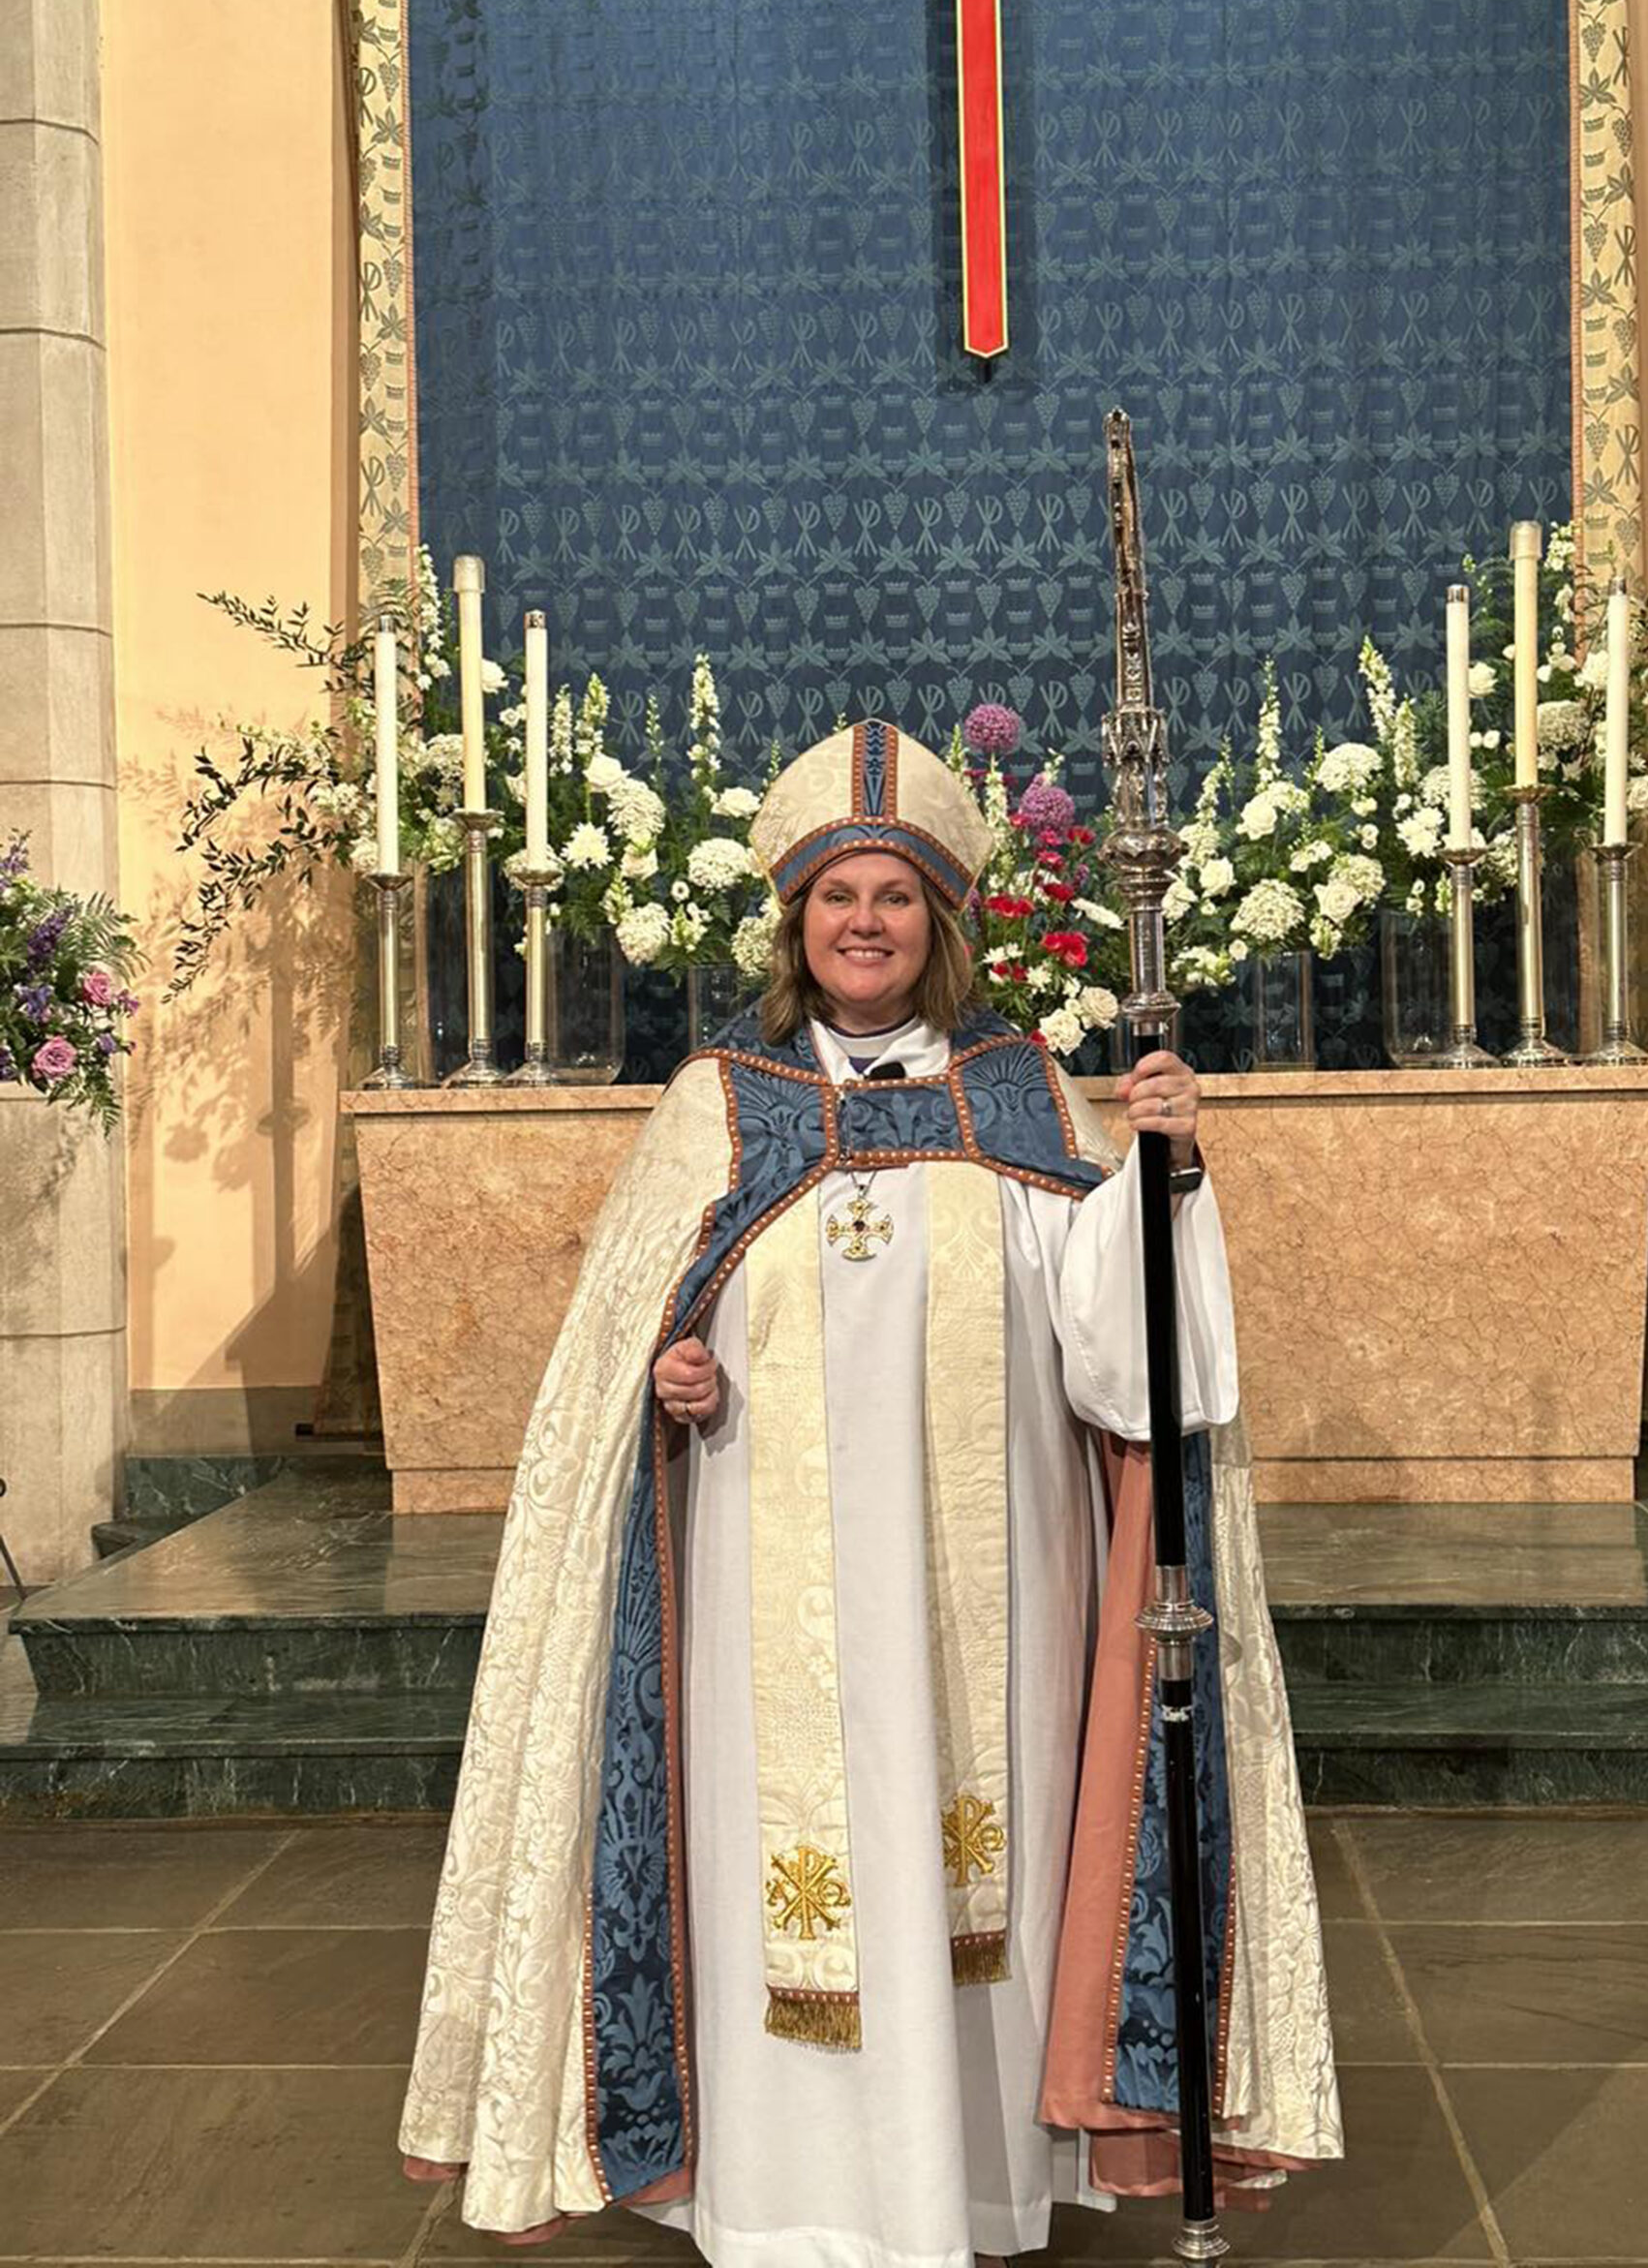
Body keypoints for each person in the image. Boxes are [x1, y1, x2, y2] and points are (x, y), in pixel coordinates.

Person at [400, 721, 1341, 2260]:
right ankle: (788, 2202)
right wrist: (672, 1372)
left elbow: (1125, 1359)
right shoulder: (717, 1102)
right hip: (770, 1601)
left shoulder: (1023, 1088)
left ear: (941, 923)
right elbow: (635, 1340)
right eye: (837, 894)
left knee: (986, 1853)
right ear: (795, 922)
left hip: (991, 1596)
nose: (863, 922)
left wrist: (1163, 1175)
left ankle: (969, 2181)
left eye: (894, 897)